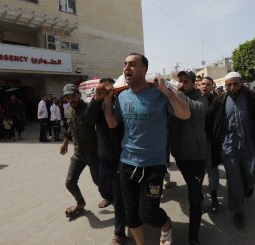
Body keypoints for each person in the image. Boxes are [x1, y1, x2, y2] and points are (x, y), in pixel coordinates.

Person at [103, 53, 191, 245]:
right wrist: (107, 102)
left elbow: (185, 114)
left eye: (133, 64)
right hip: (127, 163)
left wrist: (167, 91)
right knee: (130, 213)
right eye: (125, 64)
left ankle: (166, 225)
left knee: (149, 214)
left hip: (153, 165)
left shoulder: (158, 93)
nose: (127, 67)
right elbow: (112, 123)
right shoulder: (122, 95)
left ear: (144, 69)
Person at [208, 72, 255, 230]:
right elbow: (209, 119)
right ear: (225, 86)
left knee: (253, 172)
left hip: (250, 143)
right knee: (234, 179)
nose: (232, 87)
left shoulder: (254, 98)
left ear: (241, 82)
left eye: (235, 84)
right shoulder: (219, 100)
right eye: (229, 85)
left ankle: (249, 184)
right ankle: (238, 211)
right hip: (228, 145)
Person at [168, 71, 207, 244]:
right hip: (180, 155)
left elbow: (194, 110)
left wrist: (177, 93)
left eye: (185, 81)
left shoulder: (201, 99)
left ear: (193, 83)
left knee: (194, 196)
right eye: (180, 81)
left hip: (197, 156)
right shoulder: (176, 97)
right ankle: (199, 195)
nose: (182, 84)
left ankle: (194, 237)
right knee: (194, 189)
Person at [60, 84, 109, 217]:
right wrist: (65, 142)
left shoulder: (89, 109)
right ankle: (80, 203)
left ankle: (110, 197)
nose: (71, 100)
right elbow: (71, 128)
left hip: (93, 154)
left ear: (79, 94)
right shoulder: (69, 111)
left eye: (73, 96)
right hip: (78, 154)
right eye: (67, 97)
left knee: (99, 181)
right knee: (70, 182)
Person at [88, 78, 126, 244]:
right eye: (102, 87)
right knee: (103, 187)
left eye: (109, 87)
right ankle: (114, 198)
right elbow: (89, 119)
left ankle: (119, 233)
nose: (106, 89)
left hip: (120, 157)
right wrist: (97, 99)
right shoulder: (97, 103)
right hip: (104, 157)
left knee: (119, 198)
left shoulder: (122, 102)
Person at [200, 76, 220, 212]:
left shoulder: (217, 101)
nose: (204, 86)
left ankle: (214, 198)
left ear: (212, 87)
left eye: (207, 84)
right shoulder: (194, 99)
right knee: (198, 171)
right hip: (196, 141)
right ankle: (199, 199)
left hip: (210, 141)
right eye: (202, 84)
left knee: (212, 170)